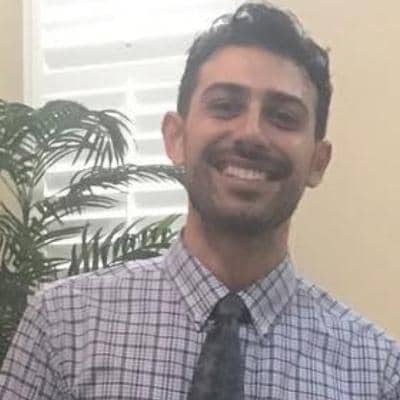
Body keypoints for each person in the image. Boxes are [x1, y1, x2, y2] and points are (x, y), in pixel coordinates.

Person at [1, 2, 400, 399]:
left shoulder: (378, 372)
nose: (251, 133)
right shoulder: (64, 327)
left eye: (283, 116)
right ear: (176, 138)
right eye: (225, 106)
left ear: (318, 161)